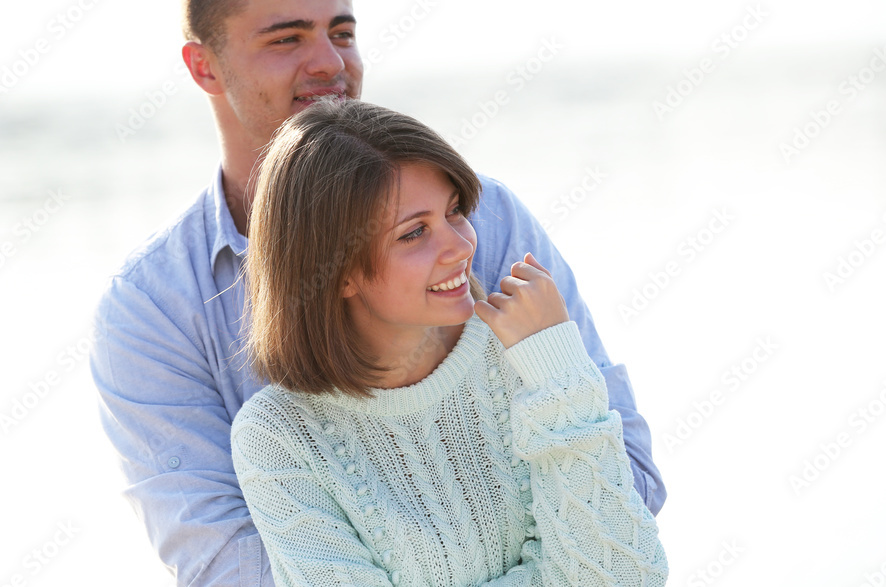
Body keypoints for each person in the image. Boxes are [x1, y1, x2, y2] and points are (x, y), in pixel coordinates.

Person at [89, 0, 665, 585]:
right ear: (203, 66)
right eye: (287, 38)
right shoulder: (153, 308)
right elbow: (230, 569)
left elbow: (627, 491)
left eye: (341, 31)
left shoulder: (485, 218)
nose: (332, 64)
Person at [232, 98, 668, 587]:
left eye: (455, 211)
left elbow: (628, 574)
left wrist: (558, 373)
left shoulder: (530, 355)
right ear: (335, 272)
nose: (463, 246)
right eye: (415, 233)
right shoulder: (278, 437)